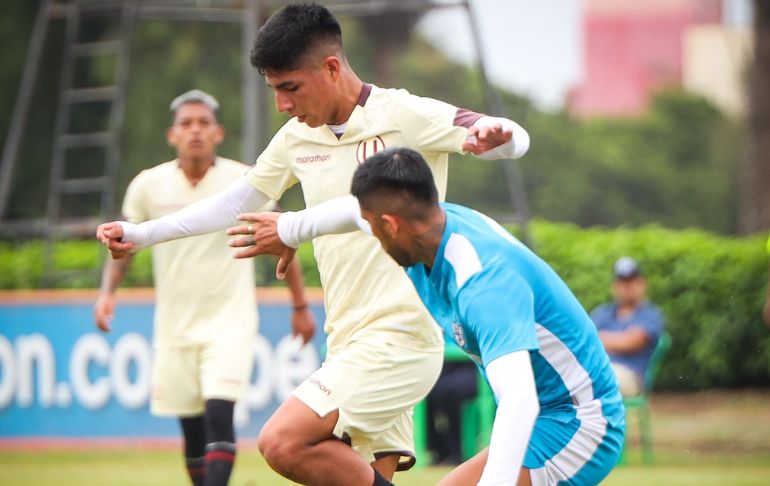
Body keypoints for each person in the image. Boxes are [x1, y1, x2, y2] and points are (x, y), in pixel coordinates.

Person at [96, 3, 529, 485]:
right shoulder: (296, 137)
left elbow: (509, 136)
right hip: (345, 340)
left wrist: (500, 137)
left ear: (330, 67)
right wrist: (141, 234)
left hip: (401, 338)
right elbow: (232, 202)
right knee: (359, 475)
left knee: (281, 441)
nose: (282, 104)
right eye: (274, 90)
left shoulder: (402, 113)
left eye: (290, 88)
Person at [229, 147, 625, 485]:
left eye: (373, 228)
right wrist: (290, 228)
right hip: (550, 416)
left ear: (390, 224)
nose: (371, 237)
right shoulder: (427, 223)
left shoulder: (482, 284)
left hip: (579, 425)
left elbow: (520, 400)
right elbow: (352, 213)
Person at [93, 89, 315, 486]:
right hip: (174, 326)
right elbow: (126, 247)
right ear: (172, 135)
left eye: (203, 123)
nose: (195, 131)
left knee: (219, 414)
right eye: (186, 124)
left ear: (218, 133)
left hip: (230, 320)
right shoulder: (147, 185)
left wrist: (300, 307)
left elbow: (282, 237)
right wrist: (107, 293)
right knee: (193, 431)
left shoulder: (243, 180)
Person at [590, 257, 665, 397]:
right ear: (614, 286)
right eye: (622, 282)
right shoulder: (603, 312)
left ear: (642, 284)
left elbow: (630, 343)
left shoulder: (650, 314)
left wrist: (599, 338)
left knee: (599, 378)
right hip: (599, 369)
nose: (627, 286)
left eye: (631, 281)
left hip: (631, 376)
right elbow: (586, 341)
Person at [426, 360, 478, 465]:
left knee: (451, 391)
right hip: (440, 364)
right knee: (427, 390)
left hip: (470, 365)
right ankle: (436, 449)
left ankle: (456, 451)